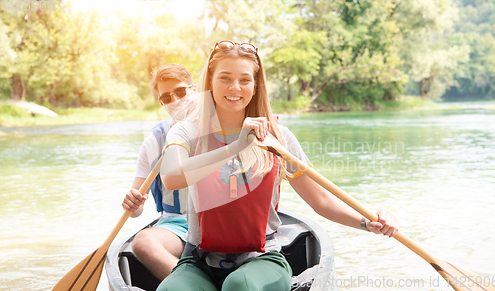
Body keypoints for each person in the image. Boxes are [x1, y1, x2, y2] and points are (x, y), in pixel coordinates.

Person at [157, 41, 399, 291]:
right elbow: (172, 177)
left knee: (240, 285)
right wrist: (236, 145)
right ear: (210, 82)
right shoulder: (185, 131)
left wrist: (366, 222)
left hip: (261, 259)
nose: (235, 87)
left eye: (245, 80)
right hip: (198, 261)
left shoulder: (278, 138)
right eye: (225, 78)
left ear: (255, 86)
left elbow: (321, 199)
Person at [121, 63, 197, 280]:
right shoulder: (153, 142)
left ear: (194, 90)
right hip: (177, 225)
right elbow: (136, 211)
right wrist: (132, 203)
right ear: (161, 102)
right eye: (166, 97)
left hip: (217, 221)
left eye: (181, 92)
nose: (176, 101)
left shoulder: (219, 128)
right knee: (143, 243)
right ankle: (190, 284)